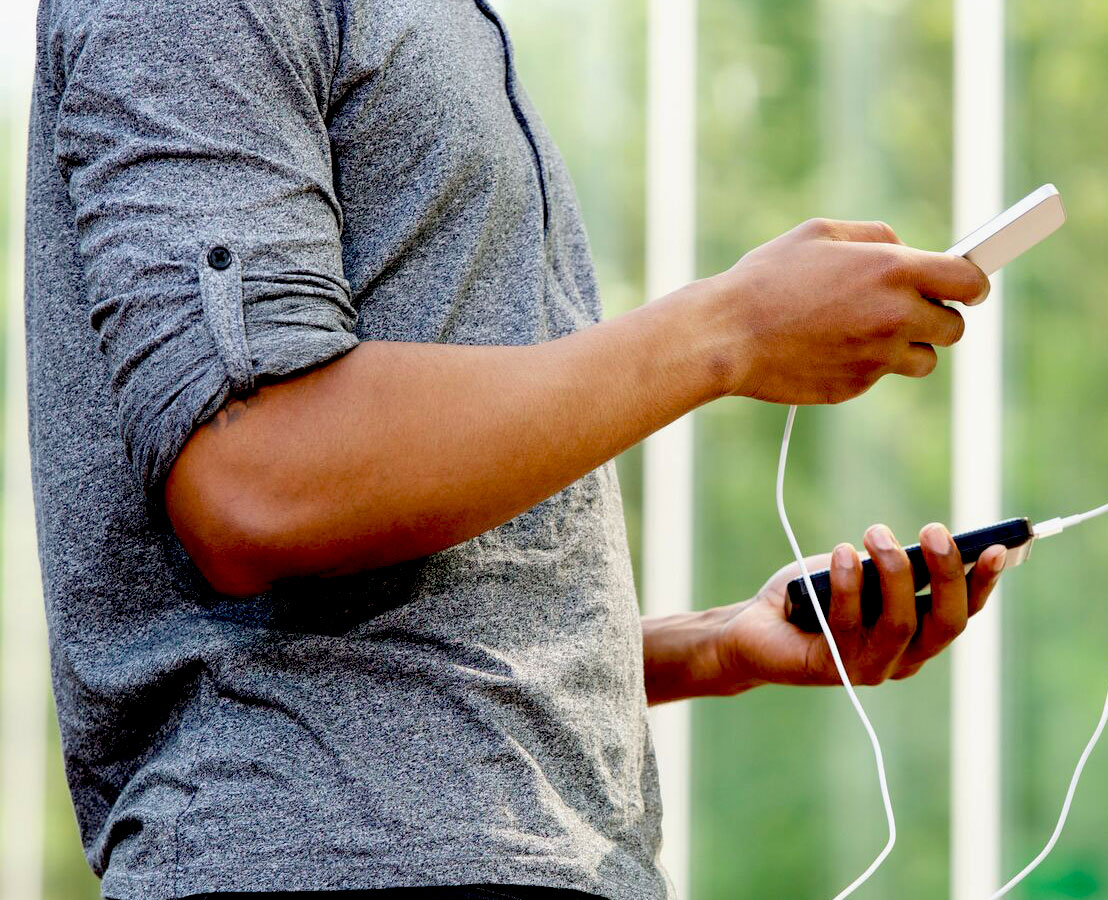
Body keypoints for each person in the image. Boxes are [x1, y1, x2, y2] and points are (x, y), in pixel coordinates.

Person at [24, 2, 1003, 898]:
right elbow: (256, 481)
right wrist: (728, 328)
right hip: (328, 854)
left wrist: (709, 644)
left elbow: (399, 618)